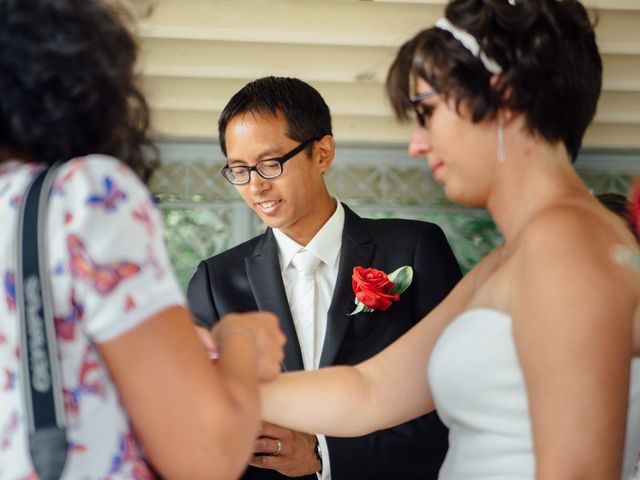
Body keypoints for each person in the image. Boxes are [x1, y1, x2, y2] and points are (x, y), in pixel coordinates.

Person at [255, 1, 640, 479]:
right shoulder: (514, 256)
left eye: (427, 111)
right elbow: (367, 390)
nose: (416, 144)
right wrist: (216, 384)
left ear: (506, 100)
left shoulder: (567, 245)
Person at [0, 1, 285, 479]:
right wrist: (241, 342)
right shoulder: (82, 195)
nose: (255, 183)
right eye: (240, 169)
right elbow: (205, 458)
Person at [187, 76, 462, 480]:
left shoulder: (415, 248)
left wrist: (324, 455)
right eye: (239, 170)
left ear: (322, 153)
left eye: (270, 163)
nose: (256, 186)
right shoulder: (216, 280)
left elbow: (455, 395)